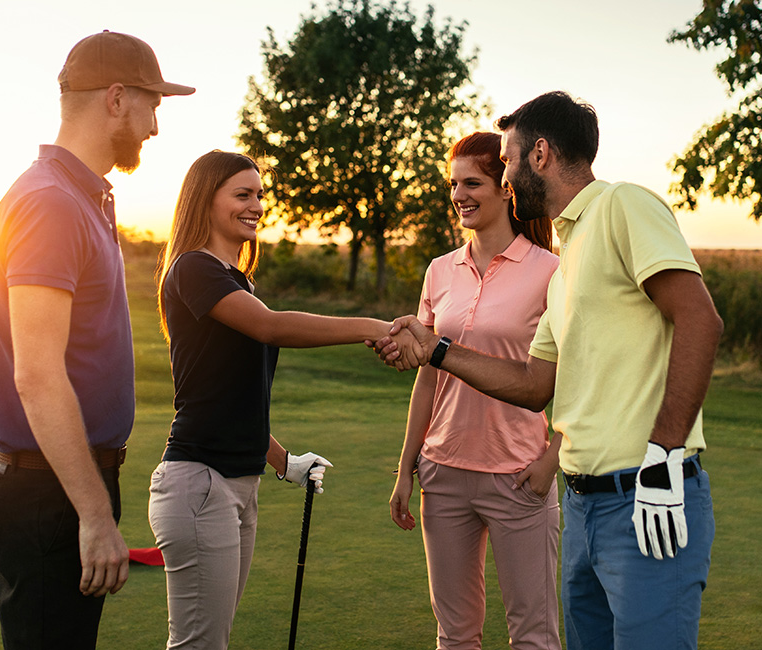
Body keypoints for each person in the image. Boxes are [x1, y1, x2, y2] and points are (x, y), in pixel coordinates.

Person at [377, 91, 722, 650]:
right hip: (584, 507)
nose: (505, 177)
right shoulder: (567, 264)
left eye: (508, 161)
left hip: (644, 491)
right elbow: (533, 386)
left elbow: (699, 320)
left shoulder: (621, 205)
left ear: (539, 155)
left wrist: (664, 455)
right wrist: (436, 349)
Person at [147, 150, 422, 649]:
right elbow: (271, 325)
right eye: (242, 194)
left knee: (213, 640)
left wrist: (284, 462)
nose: (255, 205)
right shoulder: (193, 269)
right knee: (199, 645)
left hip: (236, 483)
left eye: (259, 195)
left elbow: (230, 401)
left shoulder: (237, 280)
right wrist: (377, 327)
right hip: (199, 483)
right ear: (205, 200)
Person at [0, 31, 194, 649]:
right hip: (53, 495)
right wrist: (95, 515)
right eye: (154, 103)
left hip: (67, 484)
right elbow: (37, 373)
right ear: (118, 99)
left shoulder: (82, 196)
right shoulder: (51, 202)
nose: (155, 125)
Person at [390, 132, 561, 650]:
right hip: (443, 474)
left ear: (506, 188)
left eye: (473, 182)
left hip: (519, 475)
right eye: (453, 183)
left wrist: (550, 461)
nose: (459, 194)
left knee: (533, 636)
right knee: (455, 635)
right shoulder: (440, 271)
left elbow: (575, 378)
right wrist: (406, 469)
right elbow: (428, 374)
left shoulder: (551, 272)